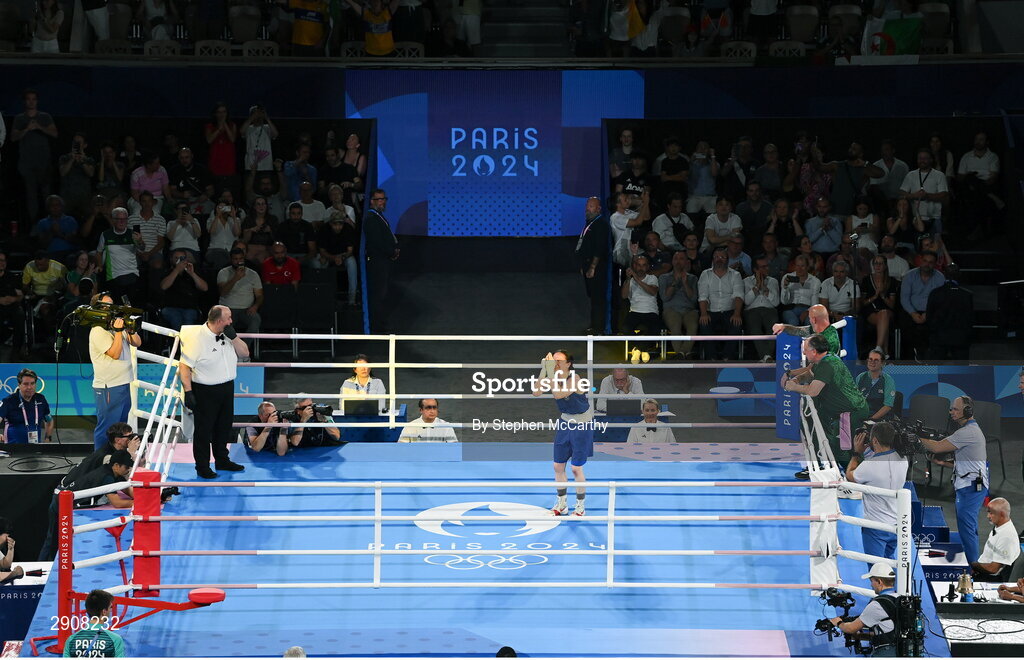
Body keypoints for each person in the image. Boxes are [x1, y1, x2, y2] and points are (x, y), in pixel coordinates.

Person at [781, 334, 870, 476]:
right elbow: (809, 374)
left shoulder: (827, 364)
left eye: (805, 350)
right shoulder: (823, 360)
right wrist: (797, 379)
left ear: (814, 351)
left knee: (842, 448)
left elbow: (813, 391)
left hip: (852, 411)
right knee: (811, 426)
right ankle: (817, 466)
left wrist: (793, 387)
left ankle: (855, 478)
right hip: (835, 410)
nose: (804, 353)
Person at [178, 306, 249, 479]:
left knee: (223, 427)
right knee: (203, 430)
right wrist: (188, 392)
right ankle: (202, 466)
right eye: (228, 318)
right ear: (219, 321)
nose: (231, 321)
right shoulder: (197, 339)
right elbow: (184, 367)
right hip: (205, 391)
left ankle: (222, 460)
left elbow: (245, 353)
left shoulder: (228, 334)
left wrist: (234, 337)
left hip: (226, 387)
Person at [918, 396, 988, 565]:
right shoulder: (969, 430)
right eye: (951, 409)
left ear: (968, 411)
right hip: (969, 484)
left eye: (956, 409)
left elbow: (935, 447)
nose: (952, 412)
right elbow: (970, 460)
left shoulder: (967, 432)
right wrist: (944, 463)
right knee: (968, 528)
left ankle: (973, 569)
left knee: (967, 530)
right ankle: (972, 560)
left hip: (971, 488)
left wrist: (917, 436)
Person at [39, 450, 134, 561]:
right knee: (52, 541)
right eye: (126, 467)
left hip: (66, 502)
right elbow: (117, 503)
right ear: (117, 465)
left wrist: (148, 497)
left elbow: (127, 489)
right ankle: (41, 565)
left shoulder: (114, 473)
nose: (128, 470)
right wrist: (139, 502)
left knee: (54, 540)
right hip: (61, 504)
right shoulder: (106, 477)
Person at [532, 350, 593, 517]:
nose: (556, 364)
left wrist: (550, 373)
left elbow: (559, 394)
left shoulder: (576, 379)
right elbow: (536, 392)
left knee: (575, 468)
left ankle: (580, 506)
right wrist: (544, 370)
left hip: (582, 424)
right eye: (554, 361)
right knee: (557, 466)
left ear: (568, 364)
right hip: (565, 422)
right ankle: (562, 503)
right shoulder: (553, 376)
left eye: (559, 361)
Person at [844, 422, 908, 563]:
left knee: (877, 572)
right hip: (896, 524)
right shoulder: (903, 459)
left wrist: (856, 453)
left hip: (876, 527)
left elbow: (850, 476)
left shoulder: (869, 466)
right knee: (889, 565)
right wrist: (868, 451)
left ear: (874, 441)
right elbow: (881, 458)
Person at [89, 292, 142, 448]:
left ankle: (116, 460)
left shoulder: (117, 325)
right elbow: (115, 353)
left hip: (124, 383)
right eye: (106, 305)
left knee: (120, 428)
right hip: (109, 386)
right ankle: (99, 462)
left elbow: (137, 343)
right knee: (107, 428)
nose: (110, 308)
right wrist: (119, 332)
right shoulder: (98, 330)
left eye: (112, 304)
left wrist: (129, 328)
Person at [829, 564, 899, 657]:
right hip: (903, 650)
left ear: (879, 581)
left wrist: (838, 622)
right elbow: (890, 628)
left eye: (872, 581)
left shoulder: (877, 604)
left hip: (886, 652)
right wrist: (861, 636)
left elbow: (851, 628)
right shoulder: (900, 599)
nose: (871, 585)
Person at [11, 88, 59, 220]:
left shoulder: (44, 116)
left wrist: (39, 126)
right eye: (28, 99)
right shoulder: (20, 118)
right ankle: (34, 224)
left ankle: (50, 223)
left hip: (43, 162)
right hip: (27, 164)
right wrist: (26, 129)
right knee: (31, 195)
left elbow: (54, 133)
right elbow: (13, 137)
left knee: (46, 194)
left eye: (33, 99)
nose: (31, 102)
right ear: (25, 101)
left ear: (37, 101)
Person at [697, 245, 744, 360]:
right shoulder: (705, 274)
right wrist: (703, 313)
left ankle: (727, 357)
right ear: (713, 259)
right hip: (710, 311)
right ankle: (711, 357)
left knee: (737, 324)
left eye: (722, 257)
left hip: (729, 311)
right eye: (716, 257)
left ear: (727, 259)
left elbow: (738, 296)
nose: (719, 259)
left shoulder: (735, 275)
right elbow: (703, 296)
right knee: (704, 324)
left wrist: (737, 313)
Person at [364, 189, 399, 332]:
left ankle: (380, 323)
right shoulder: (372, 218)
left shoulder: (379, 217)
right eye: (379, 199)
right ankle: (377, 326)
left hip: (383, 261)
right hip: (377, 262)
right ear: (372, 201)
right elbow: (377, 242)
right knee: (378, 294)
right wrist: (391, 252)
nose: (382, 202)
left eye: (384, 199)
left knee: (382, 293)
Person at [576, 196, 609, 335]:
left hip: (597, 268)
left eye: (590, 206)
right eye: (587, 206)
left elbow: (599, 248)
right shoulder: (590, 223)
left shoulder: (600, 224)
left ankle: (598, 328)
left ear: (598, 208)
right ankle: (593, 325)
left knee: (597, 298)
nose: (587, 209)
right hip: (587, 265)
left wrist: (593, 267)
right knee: (593, 297)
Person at [926, 263, 973, 360]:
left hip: (938, 338)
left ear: (944, 274)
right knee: (961, 370)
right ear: (959, 274)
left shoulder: (935, 293)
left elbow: (929, 316)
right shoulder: (967, 295)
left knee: (935, 369)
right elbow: (970, 319)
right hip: (960, 338)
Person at [62, 589, 126, 657]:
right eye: (110, 607)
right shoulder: (115, 640)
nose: (110, 611)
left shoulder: (71, 640)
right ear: (104, 612)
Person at [659, 251, 699, 359]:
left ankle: (681, 353)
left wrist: (685, 283)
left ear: (686, 262)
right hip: (671, 310)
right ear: (672, 261)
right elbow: (665, 297)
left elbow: (694, 299)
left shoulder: (693, 278)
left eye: (681, 259)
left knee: (693, 326)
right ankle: (683, 354)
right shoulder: (664, 278)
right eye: (675, 259)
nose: (678, 262)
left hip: (689, 310)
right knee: (675, 326)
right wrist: (674, 283)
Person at [970, 498, 1020, 582]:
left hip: (988, 579)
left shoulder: (1006, 537)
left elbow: (993, 569)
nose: (988, 516)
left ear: (1002, 514)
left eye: (991, 513)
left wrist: (972, 565)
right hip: (981, 571)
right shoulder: (999, 526)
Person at [0, 368, 54, 444]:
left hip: (35, 450)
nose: (29, 387)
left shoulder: (41, 399)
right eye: (26, 384)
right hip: (13, 451)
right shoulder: (9, 401)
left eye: (32, 383)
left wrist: (48, 438)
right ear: (19, 385)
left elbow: (49, 420)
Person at [217, 248, 263, 336]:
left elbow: (260, 295)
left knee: (256, 320)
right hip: (228, 309)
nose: (238, 262)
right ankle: (232, 347)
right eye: (235, 259)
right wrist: (236, 278)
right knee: (225, 325)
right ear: (231, 260)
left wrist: (255, 306)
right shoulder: (223, 272)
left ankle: (244, 347)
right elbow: (223, 292)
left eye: (241, 259)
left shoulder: (253, 274)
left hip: (247, 309)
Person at [620, 254, 662, 351]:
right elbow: (624, 296)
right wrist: (628, 279)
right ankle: (642, 349)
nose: (641, 268)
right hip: (635, 311)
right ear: (635, 266)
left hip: (651, 312)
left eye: (643, 265)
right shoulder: (629, 280)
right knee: (625, 328)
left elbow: (652, 291)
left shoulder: (652, 278)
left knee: (656, 329)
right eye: (638, 265)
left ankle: (638, 349)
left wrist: (636, 278)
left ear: (647, 267)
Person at [742, 256, 780, 361]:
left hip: (769, 310)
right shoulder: (746, 281)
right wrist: (757, 286)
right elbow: (746, 301)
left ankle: (765, 356)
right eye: (762, 267)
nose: (766, 269)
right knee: (755, 328)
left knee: (773, 329)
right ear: (755, 269)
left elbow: (776, 302)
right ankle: (767, 356)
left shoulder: (773, 282)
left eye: (767, 266)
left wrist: (766, 290)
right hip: (752, 311)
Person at [773, 303, 840, 356]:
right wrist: (783, 327)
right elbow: (798, 331)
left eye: (810, 318)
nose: (809, 320)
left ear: (814, 320)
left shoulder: (831, 339)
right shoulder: (817, 330)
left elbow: (826, 366)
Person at [856, 350, 897, 422]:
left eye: (876, 360)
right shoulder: (860, 377)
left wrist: (870, 420)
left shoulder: (888, 380)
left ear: (882, 363)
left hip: (880, 421)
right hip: (862, 418)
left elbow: (887, 406)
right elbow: (855, 400)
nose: (872, 362)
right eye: (870, 359)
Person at [0, 252, 28, 356]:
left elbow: (20, 295)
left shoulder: (12, 277)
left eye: (3, 260)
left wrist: (14, 298)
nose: (1, 263)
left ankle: (16, 350)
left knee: (19, 314)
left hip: (11, 305)